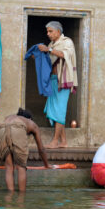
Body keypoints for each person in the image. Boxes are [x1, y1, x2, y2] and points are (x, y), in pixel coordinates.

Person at [37, 21, 78, 149]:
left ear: (58, 32)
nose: (48, 34)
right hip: (53, 80)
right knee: (54, 110)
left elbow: (64, 55)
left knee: (59, 111)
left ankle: (55, 141)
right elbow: (49, 60)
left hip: (64, 82)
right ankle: (63, 141)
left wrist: (49, 49)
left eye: (50, 31)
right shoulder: (52, 44)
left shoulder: (67, 42)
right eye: (47, 31)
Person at [0, 108, 51, 192]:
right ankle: (21, 200)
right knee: (21, 166)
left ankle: (9, 200)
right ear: (29, 119)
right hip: (16, 129)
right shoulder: (31, 123)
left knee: (9, 167)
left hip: (1, 129)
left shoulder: (10, 117)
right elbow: (41, 149)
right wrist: (47, 165)